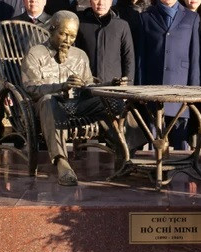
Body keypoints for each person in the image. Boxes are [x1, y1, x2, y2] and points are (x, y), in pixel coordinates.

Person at [22, 11, 127, 186]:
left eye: (72, 36)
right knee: (49, 100)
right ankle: (61, 161)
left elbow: (88, 87)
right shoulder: (36, 53)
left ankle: (127, 151)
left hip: (76, 105)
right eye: (63, 34)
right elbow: (31, 88)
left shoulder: (79, 55)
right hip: (45, 108)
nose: (67, 40)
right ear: (52, 29)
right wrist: (61, 86)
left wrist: (109, 85)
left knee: (114, 100)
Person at [138, 0, 200, 149]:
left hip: (180, 84)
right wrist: (140, 87)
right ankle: (154, 171)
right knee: (154, 135)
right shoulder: (146, 17)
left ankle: (181, 171)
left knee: (180, 135)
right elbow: (141, 56)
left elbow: (194, 55)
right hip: (153, 83)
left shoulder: (191, 18)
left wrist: (194, 89)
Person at [76, 0, 135, 85]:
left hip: (114, 85)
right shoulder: (81, 24)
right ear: (90, 0)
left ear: (111, 0)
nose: (100, 3)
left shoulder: (121, 25)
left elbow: (128, 58)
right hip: (86, 85)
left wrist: (127, 85)